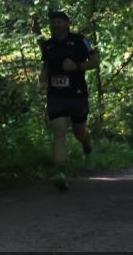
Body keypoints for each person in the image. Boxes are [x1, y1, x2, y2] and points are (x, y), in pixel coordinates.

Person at [38, 10, 99, 191]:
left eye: (58, 22)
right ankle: (60, 173)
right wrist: (43, 75)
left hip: (77, 94)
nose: (55, 25)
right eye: (52, 22)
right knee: (59, 132)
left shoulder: (80, 40)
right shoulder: (48, 45)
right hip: (55, 95)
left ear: (67, 23)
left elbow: (95, 61)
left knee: (80, 131)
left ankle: (87, 146)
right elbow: (46, 65)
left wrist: (77, 66)